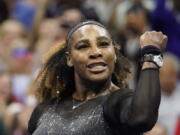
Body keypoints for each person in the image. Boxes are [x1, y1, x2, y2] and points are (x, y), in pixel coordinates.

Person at [28, 20, 167, 135]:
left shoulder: (118, 102)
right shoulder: (43, 110)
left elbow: (142, 118)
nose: (96, 52)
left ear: (114, 53)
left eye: (104, 44)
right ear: (69, 59)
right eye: (83, 46)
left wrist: (151, 54)